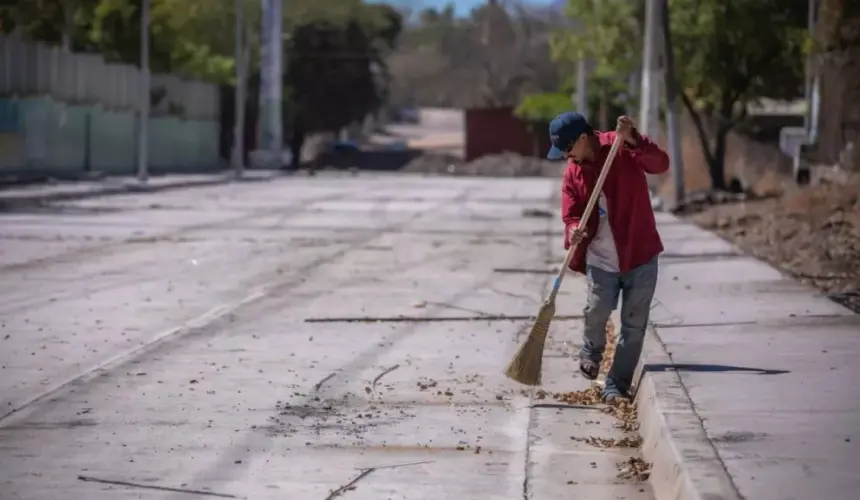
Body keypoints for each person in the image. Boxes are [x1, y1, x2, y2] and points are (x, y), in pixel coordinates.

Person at [546, 111, 669, 402]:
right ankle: (592, 349)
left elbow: (660, 164)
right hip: (601, 259)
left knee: (634, 325)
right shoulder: (573, 172)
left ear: (582, 139)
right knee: (596, 310)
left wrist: (635, 139)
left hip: (639, 252)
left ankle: (617, 384)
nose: (566, 156)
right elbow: (571, 213)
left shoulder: (621, 145)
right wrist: (573, 228)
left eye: (567, 149)